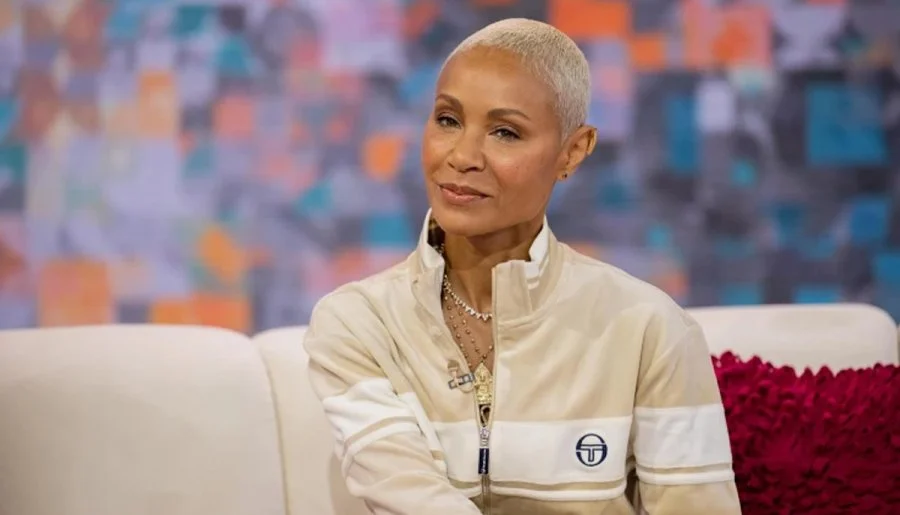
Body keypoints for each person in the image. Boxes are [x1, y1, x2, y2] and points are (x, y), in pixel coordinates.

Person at [303, 18, 742, 515]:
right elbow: (411, 499)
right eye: (447, 120)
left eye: (505, 132)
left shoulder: (648, 328)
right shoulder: (359, 323)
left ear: (572, 151)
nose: (462, 156)